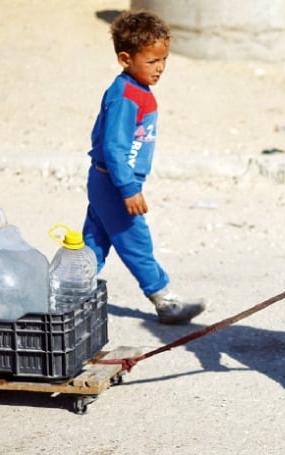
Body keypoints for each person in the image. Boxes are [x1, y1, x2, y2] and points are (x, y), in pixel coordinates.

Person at [83, 11, 205, 325]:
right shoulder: (125, 97)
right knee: (136, 242)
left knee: (94, 242)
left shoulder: (137, 91)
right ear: (126, 58)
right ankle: (164, 300)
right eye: (152, 61)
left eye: (164, 59)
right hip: (114, 183)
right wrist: (128, 188)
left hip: (106, 180)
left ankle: (67, 293)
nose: (160, 68)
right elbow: (114, 147)